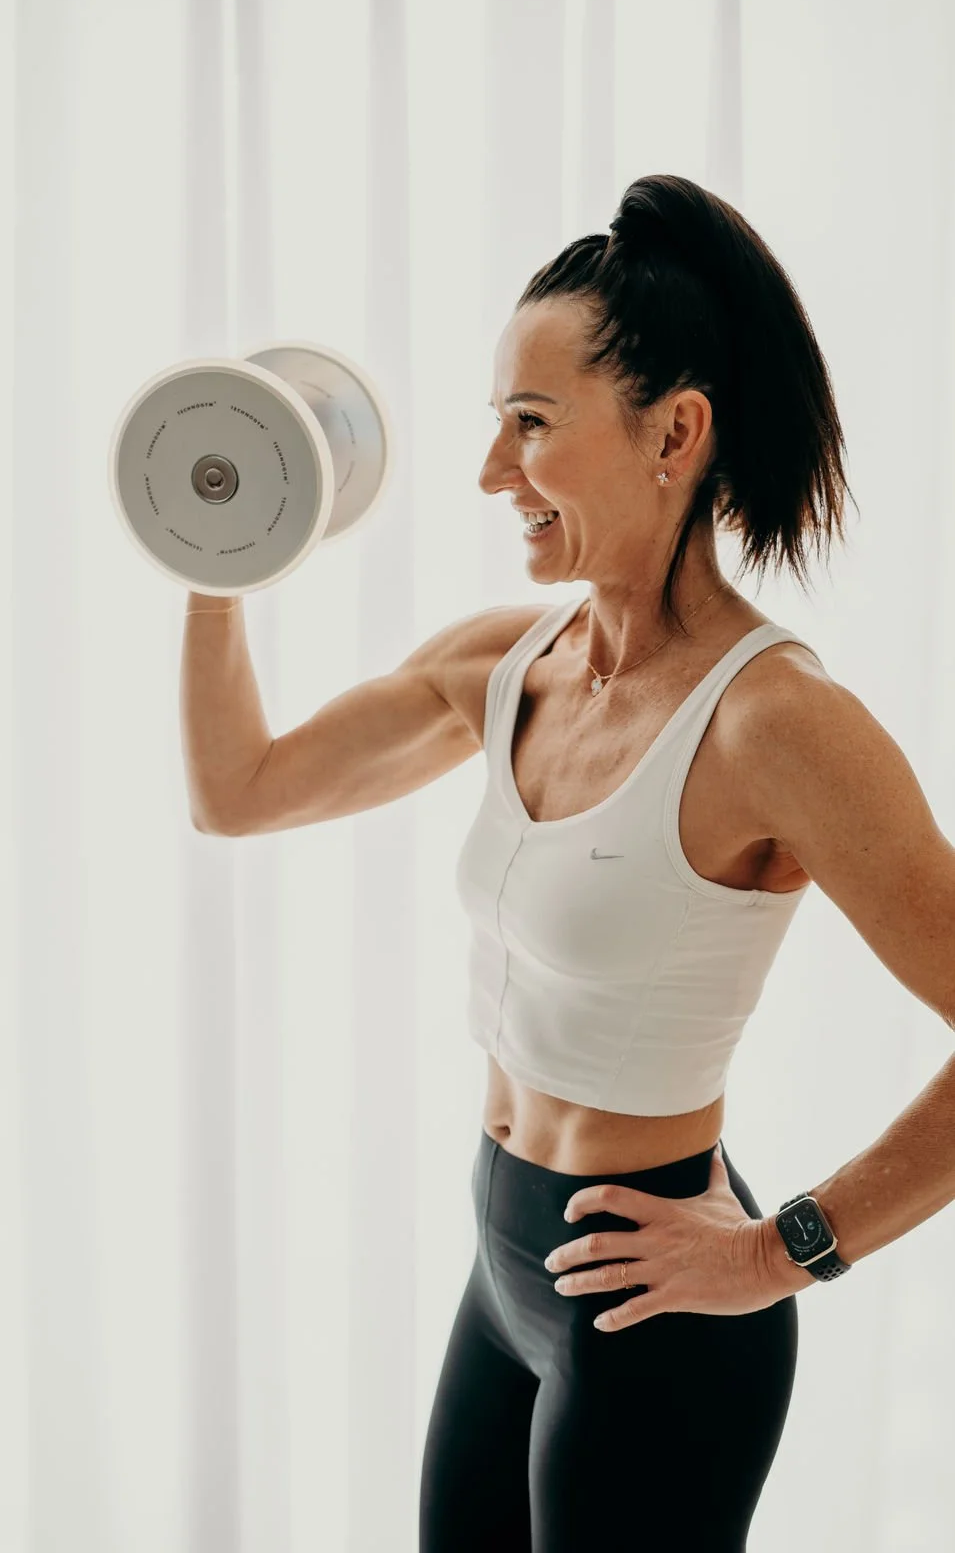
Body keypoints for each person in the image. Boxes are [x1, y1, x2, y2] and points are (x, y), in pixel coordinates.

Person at [182, 175, 955, 1550]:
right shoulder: (510, 663)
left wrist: (784, 1250)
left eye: (529, 426)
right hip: (503, 1273)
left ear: (675, 433)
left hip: (662, 1309)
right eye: (495, 423)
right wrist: (214, 551)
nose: (490, 472)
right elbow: (240, 791)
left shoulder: (775, 725)